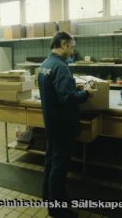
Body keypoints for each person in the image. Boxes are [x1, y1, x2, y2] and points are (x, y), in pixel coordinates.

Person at [38, 31, 95, 218]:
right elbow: (68, 99)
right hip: (63, 124)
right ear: (63, 44)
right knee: (59, 165)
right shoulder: (61, 67)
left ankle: (51, 196)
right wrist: (86, 94)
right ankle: (57, 209)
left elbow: (57, 92)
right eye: (72, 47)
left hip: (52, 122)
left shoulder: (45, 64)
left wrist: (72, 86)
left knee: (51, 161)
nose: (72, 51)